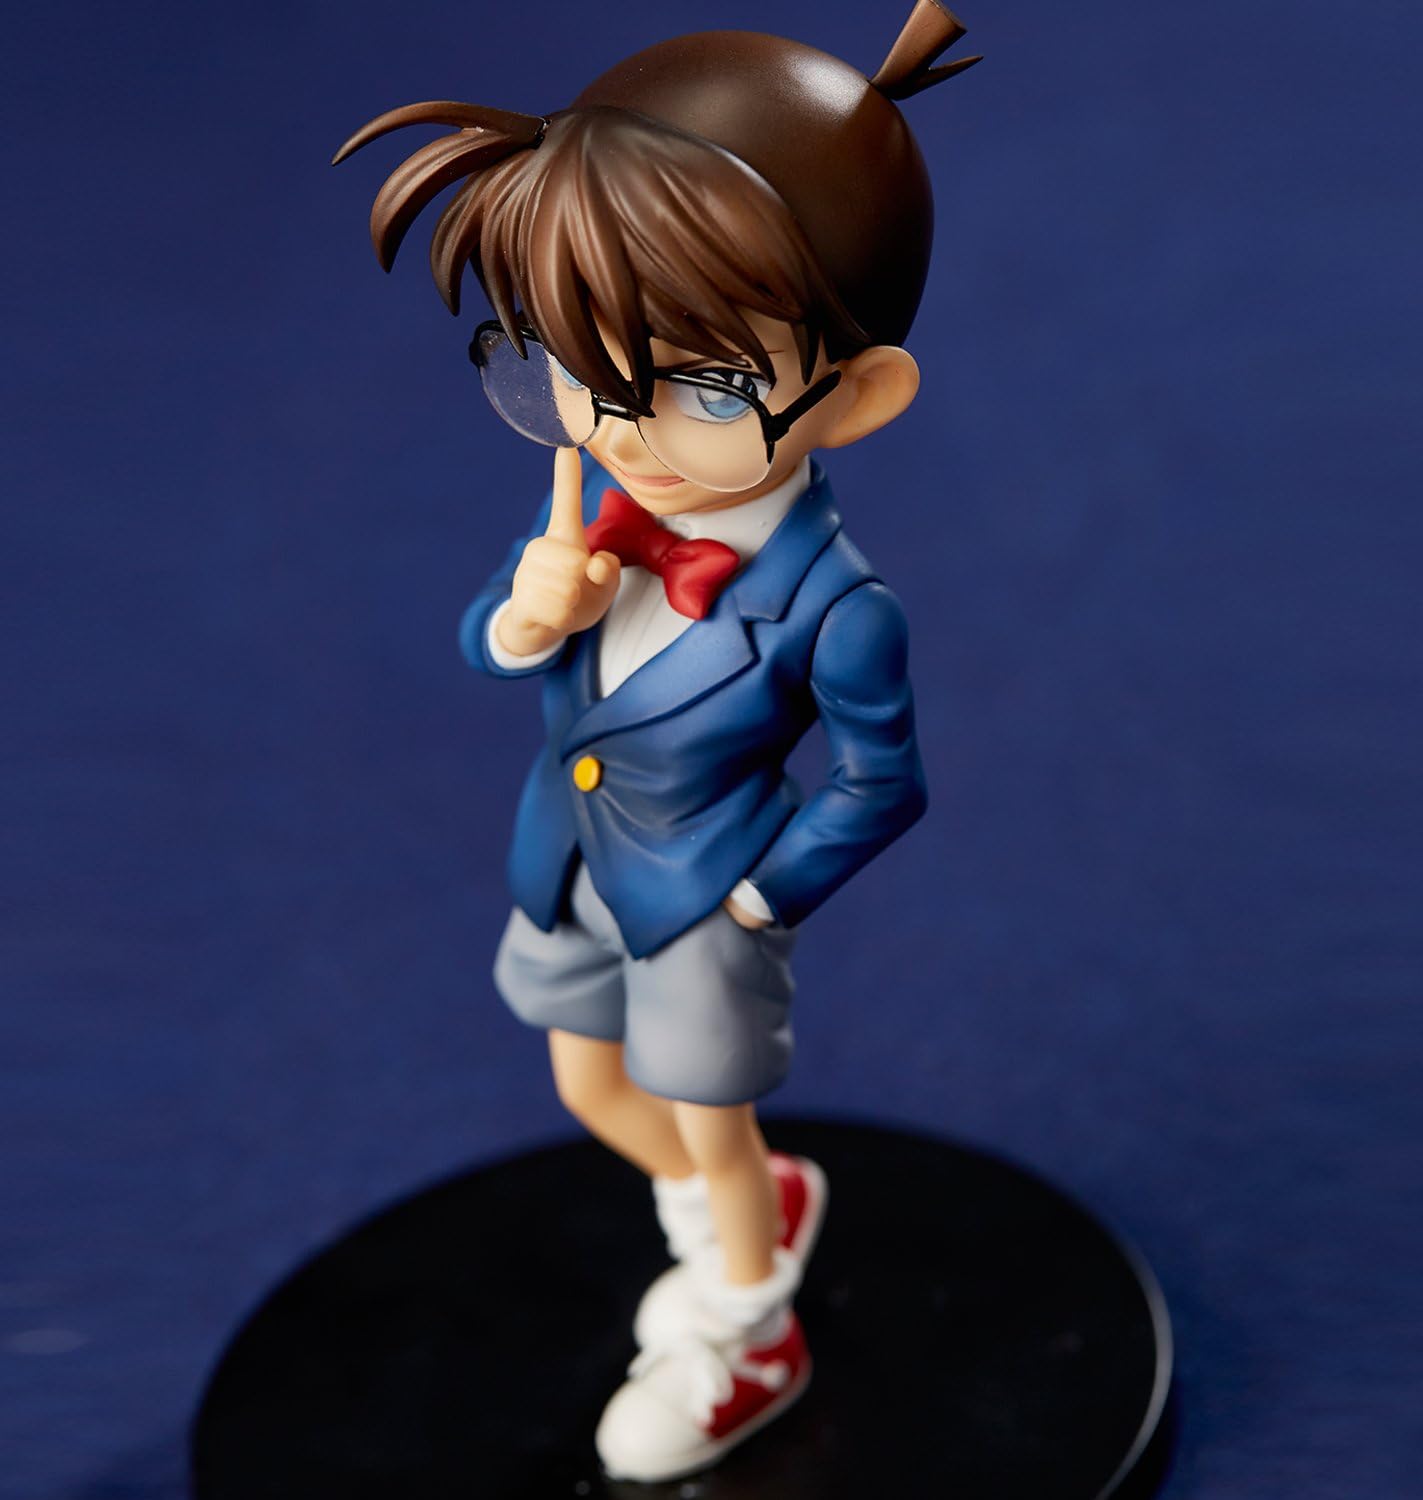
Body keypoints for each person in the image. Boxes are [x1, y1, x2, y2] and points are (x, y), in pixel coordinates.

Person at [335, 2, 977, 1479]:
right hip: (569, 858)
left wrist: (760, 898)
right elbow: (492, 639)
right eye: (578, 361)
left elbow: (882, 783)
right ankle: (743, 1219)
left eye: (705, 385)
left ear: (857, 394)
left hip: (705, 900)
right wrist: (531, 615)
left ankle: (753, 1329)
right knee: (589, 1088)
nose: (622, 426)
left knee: (715, 1123)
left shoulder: (841, 609)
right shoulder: (597, 506)